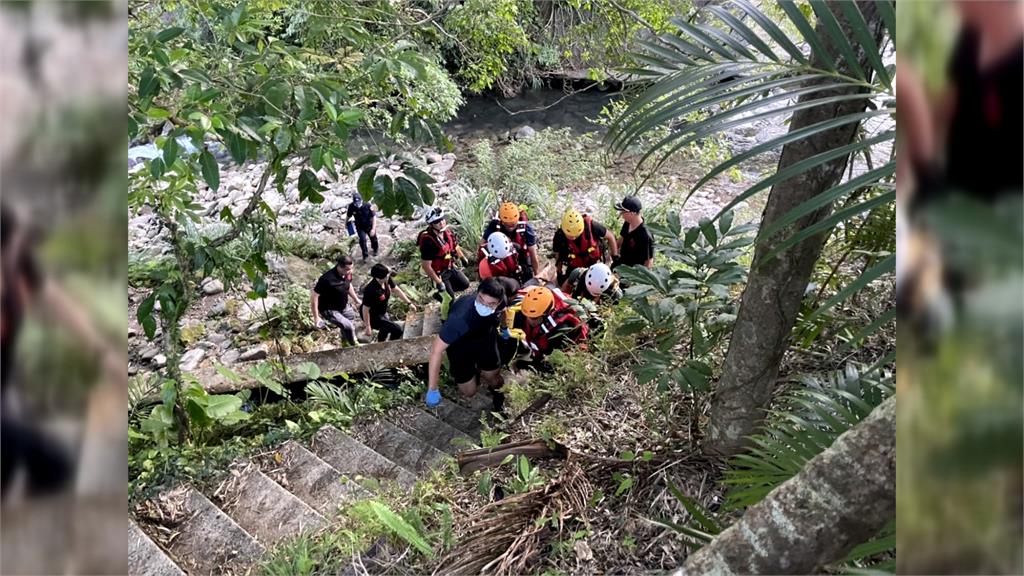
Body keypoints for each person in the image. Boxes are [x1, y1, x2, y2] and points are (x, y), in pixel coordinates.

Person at [2, 204, 123, 498]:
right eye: (14, 247)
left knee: (48, 469)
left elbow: (59, 305)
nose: (20, 254)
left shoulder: (18, 271)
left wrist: (105, 354)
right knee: (43, 463)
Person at [425, 278, 507, 412]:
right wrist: (432, 388)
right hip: (460, 349)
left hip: (485, 341)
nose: (484, 306)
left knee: (493, 379)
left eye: (491, 304)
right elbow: (436, 351)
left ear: (497, 303)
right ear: (477, 293)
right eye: (481, 300)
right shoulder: (459, 320)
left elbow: (503, 311)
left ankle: (498, 397)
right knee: (469, 392)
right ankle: (473, 373)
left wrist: (504, 328)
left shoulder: (501, 303)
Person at [507, 285, 589, 368]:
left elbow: (551, 366)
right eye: (527, 315)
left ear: (547, 314)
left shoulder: (560, 331)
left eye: (534, 318)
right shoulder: (531, 308)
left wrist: (521, 364)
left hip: (565, 354)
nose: (529, 320)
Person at [551, 208, 618, 284]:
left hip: (594, 264)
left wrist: (614, 257)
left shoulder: (592, 226)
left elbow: (610, 237)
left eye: (576, 235)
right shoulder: (559, 236)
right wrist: (559, 273)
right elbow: (558, 257)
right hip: (574, 267)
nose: (573, 238)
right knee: (568, 284)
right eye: (570, 236)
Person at [417, 207, 470, 304]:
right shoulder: (428, 242)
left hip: (450, 267)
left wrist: (462, 258)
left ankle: (444, 292)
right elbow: (426, 265)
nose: (441, 223)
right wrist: (438, 282)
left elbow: (455, 246)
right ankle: (444, 312)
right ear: (432, 225)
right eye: (437, 222)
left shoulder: (448, 232)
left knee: (465, 284)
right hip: (439, 273)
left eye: (442, 219)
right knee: (450, 300)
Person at [482, 202, 541, 281]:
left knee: (527, 275)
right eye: (508, 225)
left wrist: (537, 275)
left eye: (513, 224)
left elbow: (533, 253)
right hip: (501, 257)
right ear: (502, 221)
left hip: (521, 256)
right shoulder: (494, 225)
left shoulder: (526, 227)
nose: (511, 227)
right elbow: (482, 245)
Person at [311, 255, 363, 346]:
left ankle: (345, 342)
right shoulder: (327, 279)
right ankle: (354, 345)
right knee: (348, 326)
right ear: (339, 267)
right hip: (329, 309)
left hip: (343, 306)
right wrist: (316, 317)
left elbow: (348, 285)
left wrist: (356, 299)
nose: (350, 271)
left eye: (351, 269)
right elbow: (315, 297)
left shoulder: (347, 274)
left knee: (350, 317)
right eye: (347, 270)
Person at [360, 263, 417, 343]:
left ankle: (380, 343)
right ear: (379, 278)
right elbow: (365, 309)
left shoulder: (386, 279)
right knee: (397, 330)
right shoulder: (371, 290)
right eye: (386, 276)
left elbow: (397, 290)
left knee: (385, 329)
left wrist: (409, 303)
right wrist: (368, 326)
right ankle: (391, 343)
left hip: (382, 311)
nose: (388, 277)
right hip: (373, 316)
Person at [614, 196, 654, 269]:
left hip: (633, 273)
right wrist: (612, 255)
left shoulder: (646, 235)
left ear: (632, 213)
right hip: (621, 264)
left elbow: (649, 262)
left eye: (623, 212)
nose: (621, 214)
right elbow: (621, 239)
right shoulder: (627, 222)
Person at [346, 193, 378, 262]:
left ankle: (375, 249)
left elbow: (374, 217)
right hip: (360, 226)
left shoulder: (368, 205)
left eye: (358, 202)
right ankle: (365, 255)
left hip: (369, 225)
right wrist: (345, 223)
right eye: (356, 203)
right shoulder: (351, 206)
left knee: (373, 238)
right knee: (362, 240)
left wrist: (373, 229)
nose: (357, 204)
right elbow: (348, 215)